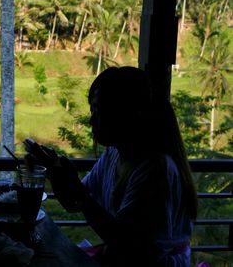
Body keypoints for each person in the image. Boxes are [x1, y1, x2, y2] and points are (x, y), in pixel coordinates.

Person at [25, 67, 197, 267]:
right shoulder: (115, 154)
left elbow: (127, 243)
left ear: (125, 112)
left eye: (98, 111)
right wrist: (54, 171)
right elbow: (73, 203)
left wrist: (77, 191)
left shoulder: (155, 170)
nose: (91, 120)